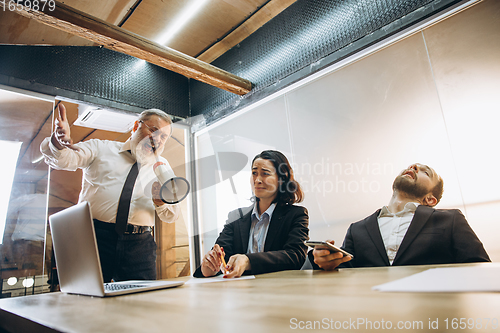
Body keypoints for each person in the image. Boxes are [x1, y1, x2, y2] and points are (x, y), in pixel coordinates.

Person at [41, 103, 180, 282]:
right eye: (154, 130)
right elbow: (65, 159)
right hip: (94, 239)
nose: (158, 139)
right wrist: (58, 145)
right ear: (137, 126)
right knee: (86, 298)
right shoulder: (101, 148)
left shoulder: (163, 167)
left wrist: (161, 202)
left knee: (141, 303)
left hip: (140, 245)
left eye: (163, 137)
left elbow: (172, 215)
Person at [311, 163, 490, 270]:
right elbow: (341, 270)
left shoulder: (451, 219)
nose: (413, 167)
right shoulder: (357, 229)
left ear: (430, 199)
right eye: (412, 166)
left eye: (424, 172)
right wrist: (324, 260)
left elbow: (479, 267)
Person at [194, 150, 309, 278]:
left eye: (265, 174)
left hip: (278, 290)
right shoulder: (236, 216)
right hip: (242, 292)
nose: (257, 180)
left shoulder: (296, 215)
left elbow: (295, 256)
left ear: (281, 179)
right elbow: (221, 257)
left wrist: (248, 261)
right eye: (254, 173)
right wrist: (209, 267)